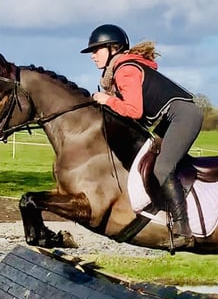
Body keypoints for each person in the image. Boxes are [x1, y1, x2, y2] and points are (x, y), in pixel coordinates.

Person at [81, 23, 203, 249]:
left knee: (162, 168)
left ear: (113, 48)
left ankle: (182, 229)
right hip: (170, 119)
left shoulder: (125, 70)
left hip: (182, 117)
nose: (93, 56)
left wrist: (107, 100)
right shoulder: (118, 70)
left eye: (97, 50)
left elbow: (134, 110)